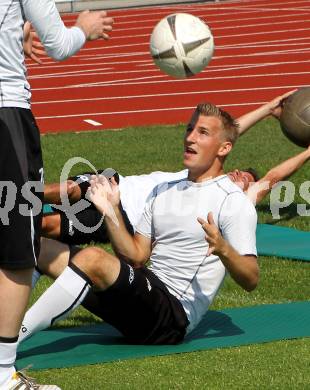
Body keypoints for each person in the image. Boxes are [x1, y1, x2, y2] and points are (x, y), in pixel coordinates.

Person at [18, 102, 258, 347]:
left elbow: (251, 279)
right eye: (189, 129)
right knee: (34, 245)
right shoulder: (163, 190)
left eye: (203, 133)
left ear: (224, 148)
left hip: (172, 317)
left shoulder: (233, 201)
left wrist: (224, 249)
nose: (190, 138)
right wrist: (111, 211)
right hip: (143, 299)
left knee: (92, 258)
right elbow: (135, 256)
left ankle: (8, 343)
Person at [0, 0, 113, 387]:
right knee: (17, 251)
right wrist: (85, 28)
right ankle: (2, 376)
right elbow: (59, 44)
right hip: (7, 118)